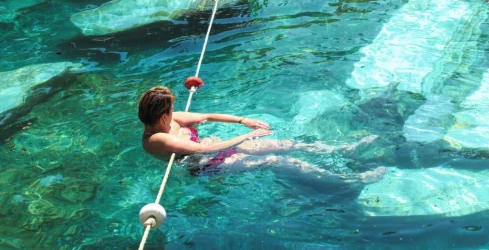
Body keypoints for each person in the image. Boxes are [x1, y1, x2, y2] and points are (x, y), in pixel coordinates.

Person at [138, 86, 383, 181]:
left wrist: (243, 121)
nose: (174, 112)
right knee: (279, 160)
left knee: (287, 144)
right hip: (207, 166)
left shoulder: (173, 121)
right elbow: (202, 150)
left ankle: (342, 149)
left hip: (222, 147)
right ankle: (348, 179)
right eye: (170, 110)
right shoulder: (156, 140)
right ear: (162, 116)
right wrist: (245, 137)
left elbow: (208, 116)